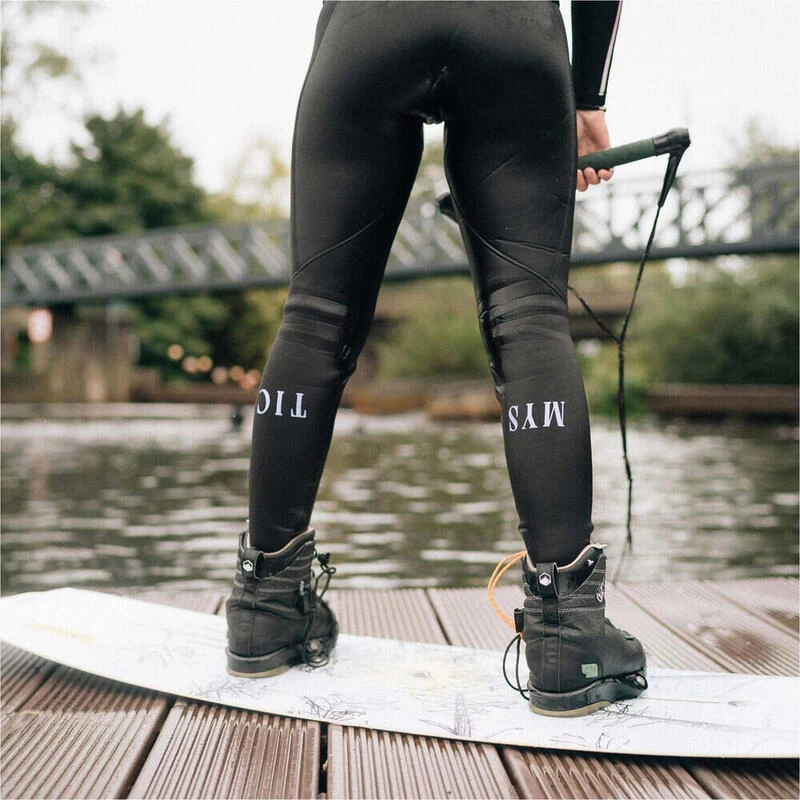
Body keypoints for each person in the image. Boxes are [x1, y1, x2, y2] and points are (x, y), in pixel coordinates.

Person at [225, 0, 647, 716]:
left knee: (315, 314)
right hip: (514, 27)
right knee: (530, 315)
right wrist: (586, 96)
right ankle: (568, 633)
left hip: (367, 28)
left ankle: (265, 606)